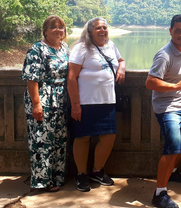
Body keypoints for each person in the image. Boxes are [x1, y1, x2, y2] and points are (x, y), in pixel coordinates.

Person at [146, 14, 181, 208]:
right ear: (170, 31)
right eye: (178, 30)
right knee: (172, 146)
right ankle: (159, 193)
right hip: (167, 109)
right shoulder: (164, 55)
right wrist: (176, 85)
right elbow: (150, 82)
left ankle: (172, 170)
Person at [67, 17, 126, 192]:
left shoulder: (111, 45)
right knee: (83, 138)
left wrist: (121, 68)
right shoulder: (81, 48)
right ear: (90, 31)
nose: (103, 31)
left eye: (105, 28)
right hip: (86, 102)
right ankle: (81, 174)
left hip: (107, 101)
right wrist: (75, 105)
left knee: (109, 137)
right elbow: (71, 77)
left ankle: (97, 170)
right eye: (98, 28)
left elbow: (120, 60)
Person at [21, 15, 69, 192]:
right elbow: (31, 79)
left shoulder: (65, 48)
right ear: (45, 30)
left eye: (61, 27)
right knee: (41, 138)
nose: (58, 30)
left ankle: (57, 177)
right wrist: (36, 104)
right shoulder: (37, 49)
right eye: (53, 27)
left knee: (59, 139)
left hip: (61, 98)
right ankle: (42, 180)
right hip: (43, 97)